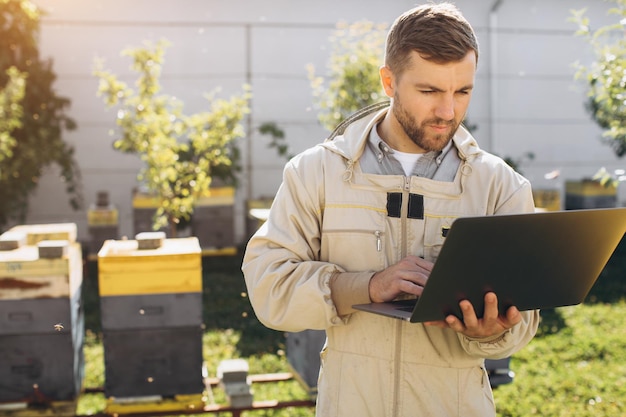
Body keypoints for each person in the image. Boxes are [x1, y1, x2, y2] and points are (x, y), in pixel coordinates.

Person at [242, 3, 540, 416]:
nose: (448, 111)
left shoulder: (500, 185)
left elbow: (521, 322)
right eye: (430, 91)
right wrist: (366, 287)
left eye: (462, 91)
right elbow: (268, 287)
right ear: (389, 81)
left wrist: (492, 331)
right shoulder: (316, 172)